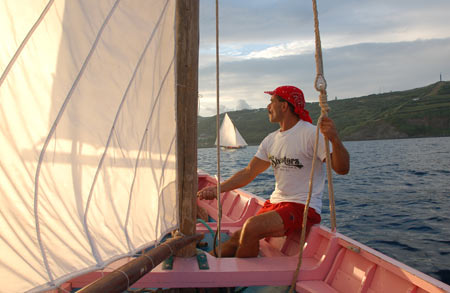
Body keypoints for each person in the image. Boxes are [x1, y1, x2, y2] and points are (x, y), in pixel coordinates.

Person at [197, 85, 350, 258]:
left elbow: (342, 168)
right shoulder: (271, 140)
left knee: (251, 227)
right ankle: (203, 267)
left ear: (284, 106)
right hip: (276, 204)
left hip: (302, 208)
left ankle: (232, 282)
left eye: (272, 102)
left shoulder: (311, 134)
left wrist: (335, 139)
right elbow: (249, 172)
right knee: (236, 239)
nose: (268, 107)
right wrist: (218, 189)